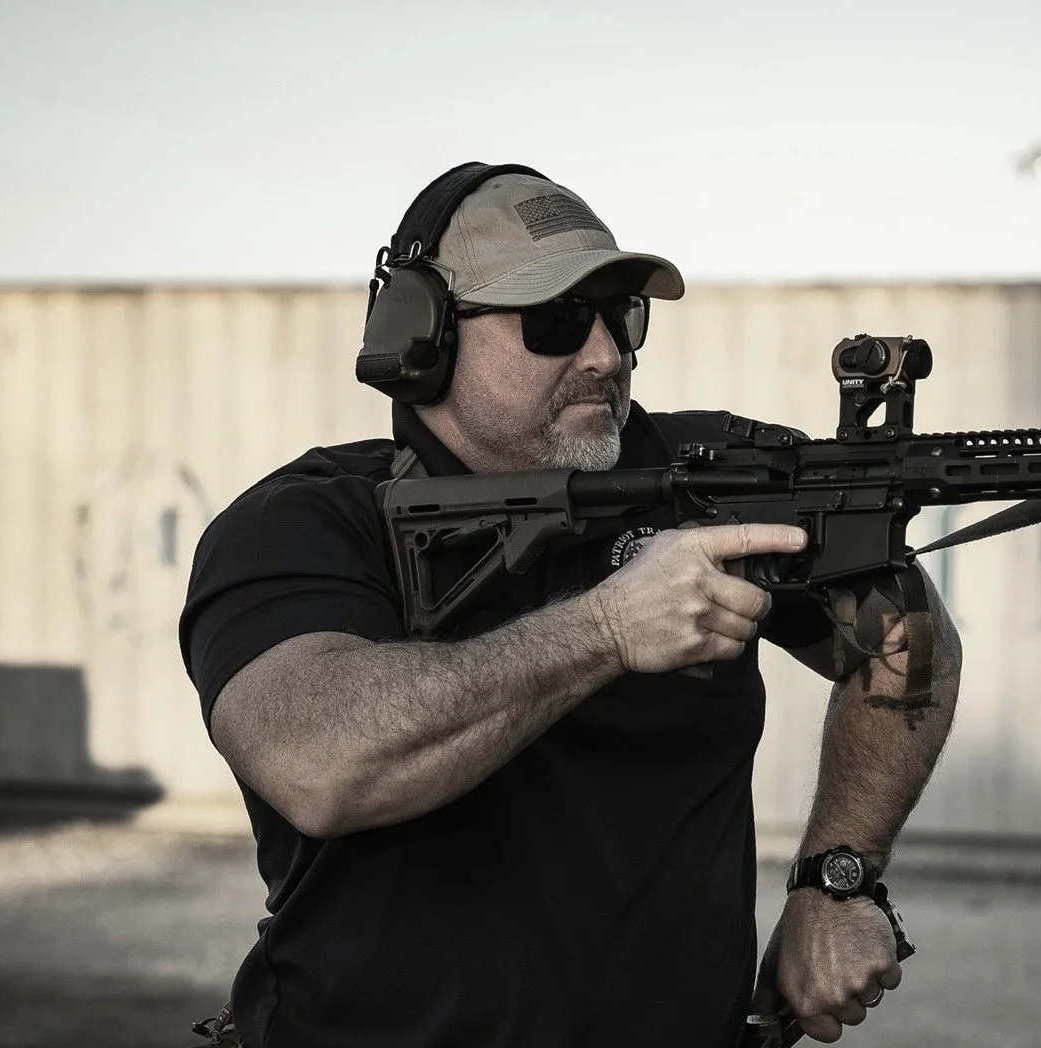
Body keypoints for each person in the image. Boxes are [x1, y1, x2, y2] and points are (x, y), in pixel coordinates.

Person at [178, 164, 963, 1048]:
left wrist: (838, 879)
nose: (604, 355)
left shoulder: (707, 474)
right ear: (424, 336)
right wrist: (605, 629)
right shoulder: (307, 521)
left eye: (621, 315)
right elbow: (319, 765)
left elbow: (904, 635)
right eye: (555, 321)